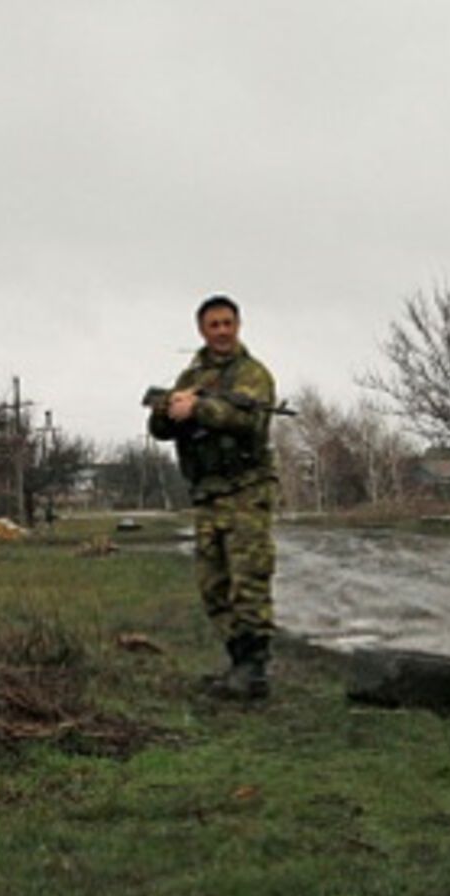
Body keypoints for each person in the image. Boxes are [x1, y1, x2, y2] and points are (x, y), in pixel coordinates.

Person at [148, 294, 280, 701]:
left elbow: (246, 420)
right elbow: (161, 429)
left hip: (246, 491)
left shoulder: (253, 374)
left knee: (249, 581)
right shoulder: (190, 376)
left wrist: (200, 408)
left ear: (238, 325)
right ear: (202, 330)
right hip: (208, 495)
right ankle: (237, 661)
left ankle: (254, 669)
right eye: (214, 325)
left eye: (228, 323)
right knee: (213, 585)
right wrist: (167, 409)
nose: (222, 331)